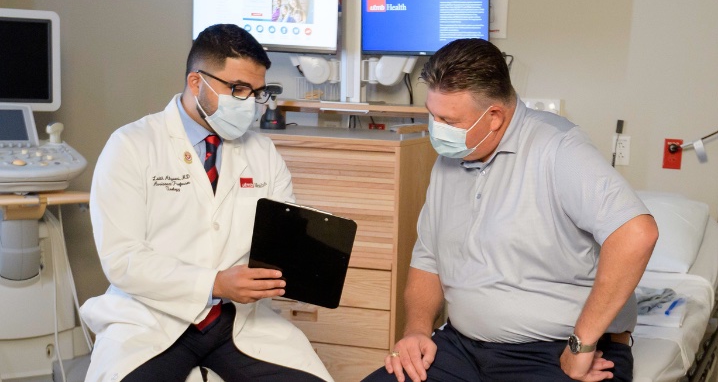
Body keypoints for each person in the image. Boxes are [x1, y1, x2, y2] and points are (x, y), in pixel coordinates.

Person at [362, 38, 658, 382]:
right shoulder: (450, 160)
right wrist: (416, 330)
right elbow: (429, 258)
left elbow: (636, 234)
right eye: (433, 115)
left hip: (552, 353)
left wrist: (581, 344)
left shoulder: (558, 149)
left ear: (494, 117)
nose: (436, 129)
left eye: (448, 120)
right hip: (462, 348)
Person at [81, 24, 332, 382]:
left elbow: (280, 244)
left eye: (257, 92)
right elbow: (122, 260)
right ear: (197, 83)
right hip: (152, 318)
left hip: (236, 319)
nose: (250, 103)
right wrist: (214, 283)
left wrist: (310, 261)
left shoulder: (263, 152)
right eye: (238, 89)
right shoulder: (132, 145)